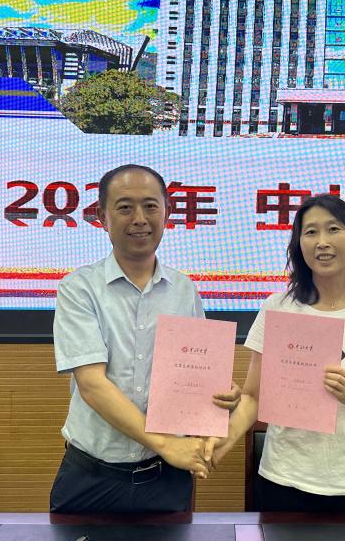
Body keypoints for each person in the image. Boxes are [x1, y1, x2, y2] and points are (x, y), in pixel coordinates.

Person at [50, 164, 239, 513]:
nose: (139, 219)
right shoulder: (79, 288)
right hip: (91, 478)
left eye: (151, 206)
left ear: (166, 213)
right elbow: (92, 385)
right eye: (125, 207)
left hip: (166, 479)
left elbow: (194, 373)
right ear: (102, 217)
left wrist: (219, 393)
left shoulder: (184, 290)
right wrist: (166, 443)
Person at [213, 194, 345, 512]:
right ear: (299, 243)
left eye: (333, 229)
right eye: (310, 232)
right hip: (282, 478)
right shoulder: (277, 308)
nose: (322, 242)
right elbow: (252, 396)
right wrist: (224, 440)